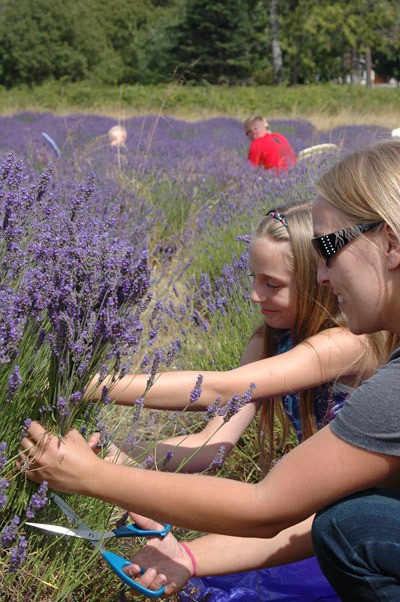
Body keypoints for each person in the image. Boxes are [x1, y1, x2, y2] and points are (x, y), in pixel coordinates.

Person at [19, 140, 400, 601]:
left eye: (328, 250)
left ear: (391, 245)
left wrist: (89, 401)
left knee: (349, 527)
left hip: (317, 532)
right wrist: (120, 464)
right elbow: (211, 446)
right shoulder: (270, 342)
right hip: (307, 525)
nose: (322, 275)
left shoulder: (352, 350)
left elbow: (263, 492)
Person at [86, 202, 384, 477]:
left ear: (314, 283)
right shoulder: (267, 342)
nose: (255, 295)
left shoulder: (347, 343)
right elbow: (211, 442)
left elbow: (221, 389)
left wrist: (94, 385)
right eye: (254, 278)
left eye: (272, 284)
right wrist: (120, 454)